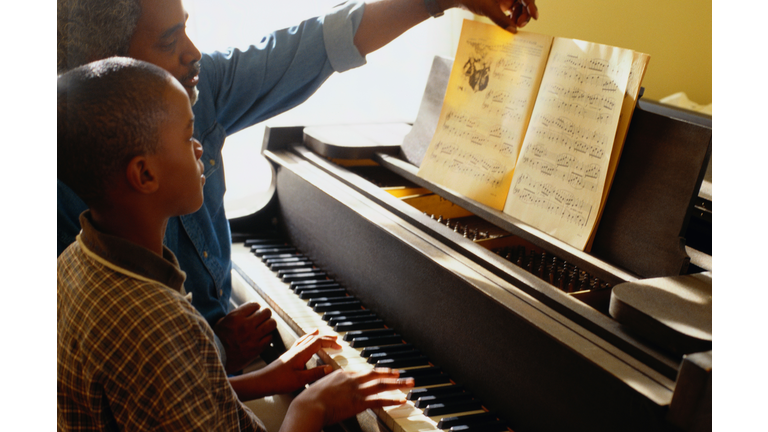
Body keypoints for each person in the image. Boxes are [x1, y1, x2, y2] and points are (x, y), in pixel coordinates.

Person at [57, 0, 539, 374]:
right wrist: (219, 347)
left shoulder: (192, 86)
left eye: (188, 26)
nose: (193, 51)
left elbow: (310, 48)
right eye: (168, 40)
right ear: (104, 70)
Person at [57, 57, 414, 431]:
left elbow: (162, 398)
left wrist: (264, 379)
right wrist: (311, 408)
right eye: (187, 136)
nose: (199, 148)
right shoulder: (159, 326)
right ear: (145, 174)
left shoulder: (76, 261)